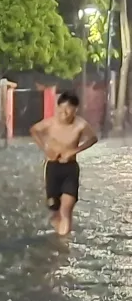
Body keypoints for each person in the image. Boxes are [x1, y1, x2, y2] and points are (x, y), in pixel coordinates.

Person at [31, 91, 99, 236]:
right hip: (53, 168)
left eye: (68, 109)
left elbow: (93, 138)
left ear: (75, 109)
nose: (64, 113)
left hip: (70, 169)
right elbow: (34, 130)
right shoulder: (50, 123)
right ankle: (58, 226)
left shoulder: (80, 125)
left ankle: (64, 246)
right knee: (55, 208)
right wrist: (45, 148)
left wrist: (74, 151)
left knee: (66, 210)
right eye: (61, 109)